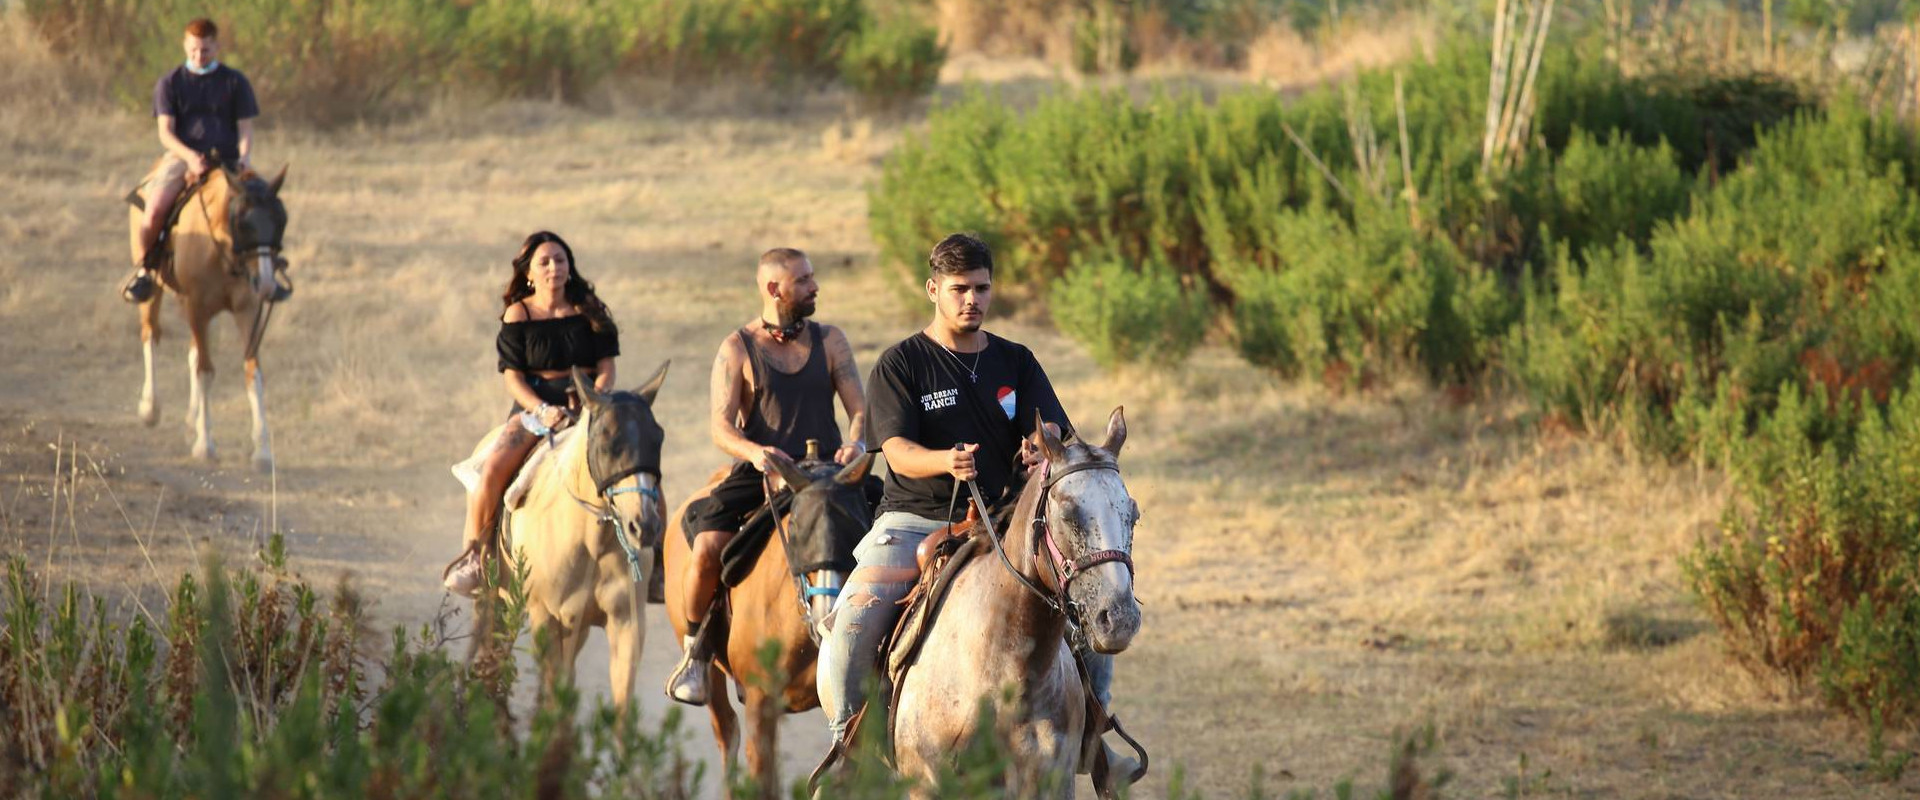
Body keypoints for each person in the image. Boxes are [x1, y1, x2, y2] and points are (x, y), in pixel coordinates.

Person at [815, 233, 1120, 746]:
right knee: (850, 631)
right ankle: (848, 748)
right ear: (933, 289)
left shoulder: (1016, 361)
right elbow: (895, 451)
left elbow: (1052, 434)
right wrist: (944, 461)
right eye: (959, 289)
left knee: (1092, 610)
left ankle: (1094, 736)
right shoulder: (901, 363)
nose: (971, 300)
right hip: (914, 521)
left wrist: (1035, 447)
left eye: (981, 288)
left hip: (1005, 521)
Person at [665, 247, 868, 705]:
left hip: (828, 474)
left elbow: (859, 410)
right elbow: (720, 427)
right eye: (805, 280)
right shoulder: (738, 347)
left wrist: (855, 442)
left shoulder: (831, 340)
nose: (816, 287)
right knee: (707, 547)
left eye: (813, 277)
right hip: (762, 471)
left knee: (891, 528)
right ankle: (695, 653)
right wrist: (757, 453)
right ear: (775, 289)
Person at [443, 232, 620, 597]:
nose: (554, 267)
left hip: (587, 402)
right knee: (492, 469)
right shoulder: (518, 313)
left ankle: (652, 559)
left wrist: (594, 400)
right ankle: (476, 555)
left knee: (636, 458)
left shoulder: (590, 309)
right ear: (529, 273)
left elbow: (606, 366)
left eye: (560, 259)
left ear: (570, 265)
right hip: (534, 406)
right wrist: (541, 409)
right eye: (545, 262)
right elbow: (513, 378)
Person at [123, 17, 265, 304]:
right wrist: (190, 157)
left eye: (206, 50)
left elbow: (245, 129)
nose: (199, 56)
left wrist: (245, 159)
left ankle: (265, 270)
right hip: (181, 156)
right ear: (185, 47)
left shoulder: (235, 82)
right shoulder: (170, 83)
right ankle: (145, 271)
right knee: (153, 212)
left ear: (217, 47)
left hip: (227, 160)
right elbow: (165, 132)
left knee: (264, 205)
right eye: (194, 51)